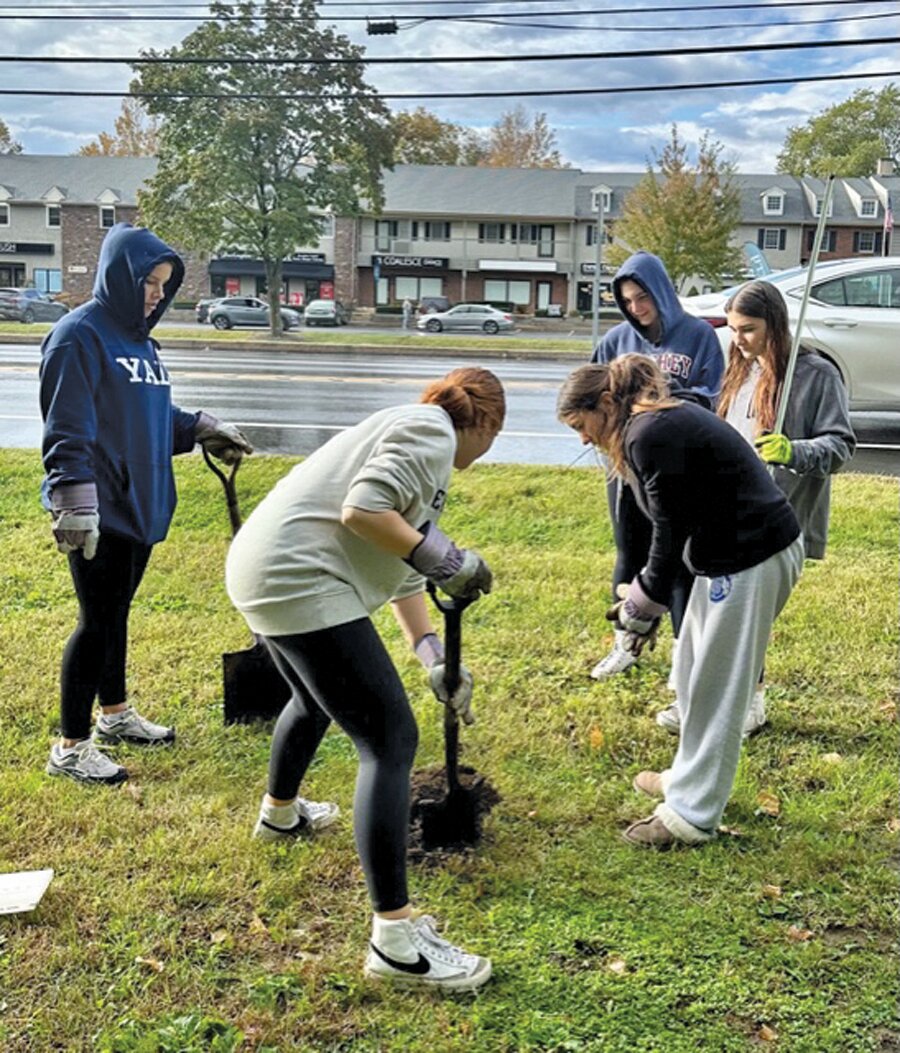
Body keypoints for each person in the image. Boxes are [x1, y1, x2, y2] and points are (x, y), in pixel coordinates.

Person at [225, 367, 504, 989]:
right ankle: (397, 944)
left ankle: (281, 815)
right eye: (494, 440)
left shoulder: (415, 444)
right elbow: (365, 511)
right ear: (485, 424)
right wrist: (449, 561)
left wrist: (432, 656)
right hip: (300, 578)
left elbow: (398, 561)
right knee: (390, 742)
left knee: (313, 698)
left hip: (265, 572)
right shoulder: (430, 430)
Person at [558, 355, 803, 848]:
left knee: (716, 689)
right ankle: (686, 778)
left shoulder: (651, 433)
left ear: (606, 403)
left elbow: (667, 537)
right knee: (690, 672)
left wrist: (640, 606)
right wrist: (640, 599)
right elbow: (651, 527)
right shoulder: (644, 431)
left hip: (751, 555)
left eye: (582, 426)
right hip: (725, 556)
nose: (583, 439)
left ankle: (689, 818)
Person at [40, 222, 253, 786]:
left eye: (164, 284)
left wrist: (203, 426)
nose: (158, 294)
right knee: (97, 621)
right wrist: (73, 500)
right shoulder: (77, 336)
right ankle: (70, 745)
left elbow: (152, 418)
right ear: (119, 277)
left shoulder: (140, 344)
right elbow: (66, 426)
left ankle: (113, 714)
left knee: (117, 615)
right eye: (149, 283)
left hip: (142, 506)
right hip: (101, 506)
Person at [654, 280, 855, 736]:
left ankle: (749, 704)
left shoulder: (815, 374)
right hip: (725, 512)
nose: (737, 339)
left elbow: (841, 445)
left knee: (746, 618)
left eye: (747, 329)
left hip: (778, 518)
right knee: (711, 612)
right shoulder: (739, 368)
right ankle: (694, 699)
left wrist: (794, 451)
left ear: (775, 325)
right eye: (732, 328)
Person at [589, 251, 724, 681]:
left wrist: (667, 393)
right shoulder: (615, 342)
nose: (636, 308)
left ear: (661, 291)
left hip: (680, 465)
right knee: (630, 549)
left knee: (679, 556)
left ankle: (682, 656)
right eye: (627, 301)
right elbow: (590, 393)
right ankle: (624, 643)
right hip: (625, 462)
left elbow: (712, 394)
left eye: (642, 297)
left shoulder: (699, 335)